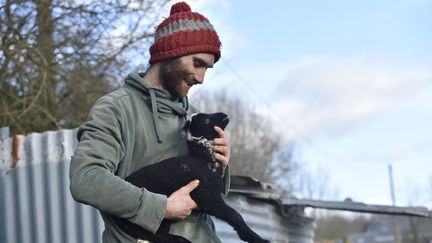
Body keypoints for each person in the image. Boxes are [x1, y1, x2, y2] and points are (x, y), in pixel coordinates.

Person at [69, 2, 230, 243]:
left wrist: (221, 168)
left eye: (207, 68)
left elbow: (210, 197)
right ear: (169, 53)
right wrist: (161, 207)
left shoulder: (195, 117)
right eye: (197, 63)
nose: (201, 78)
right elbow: (86, 179)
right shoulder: (117, 108)